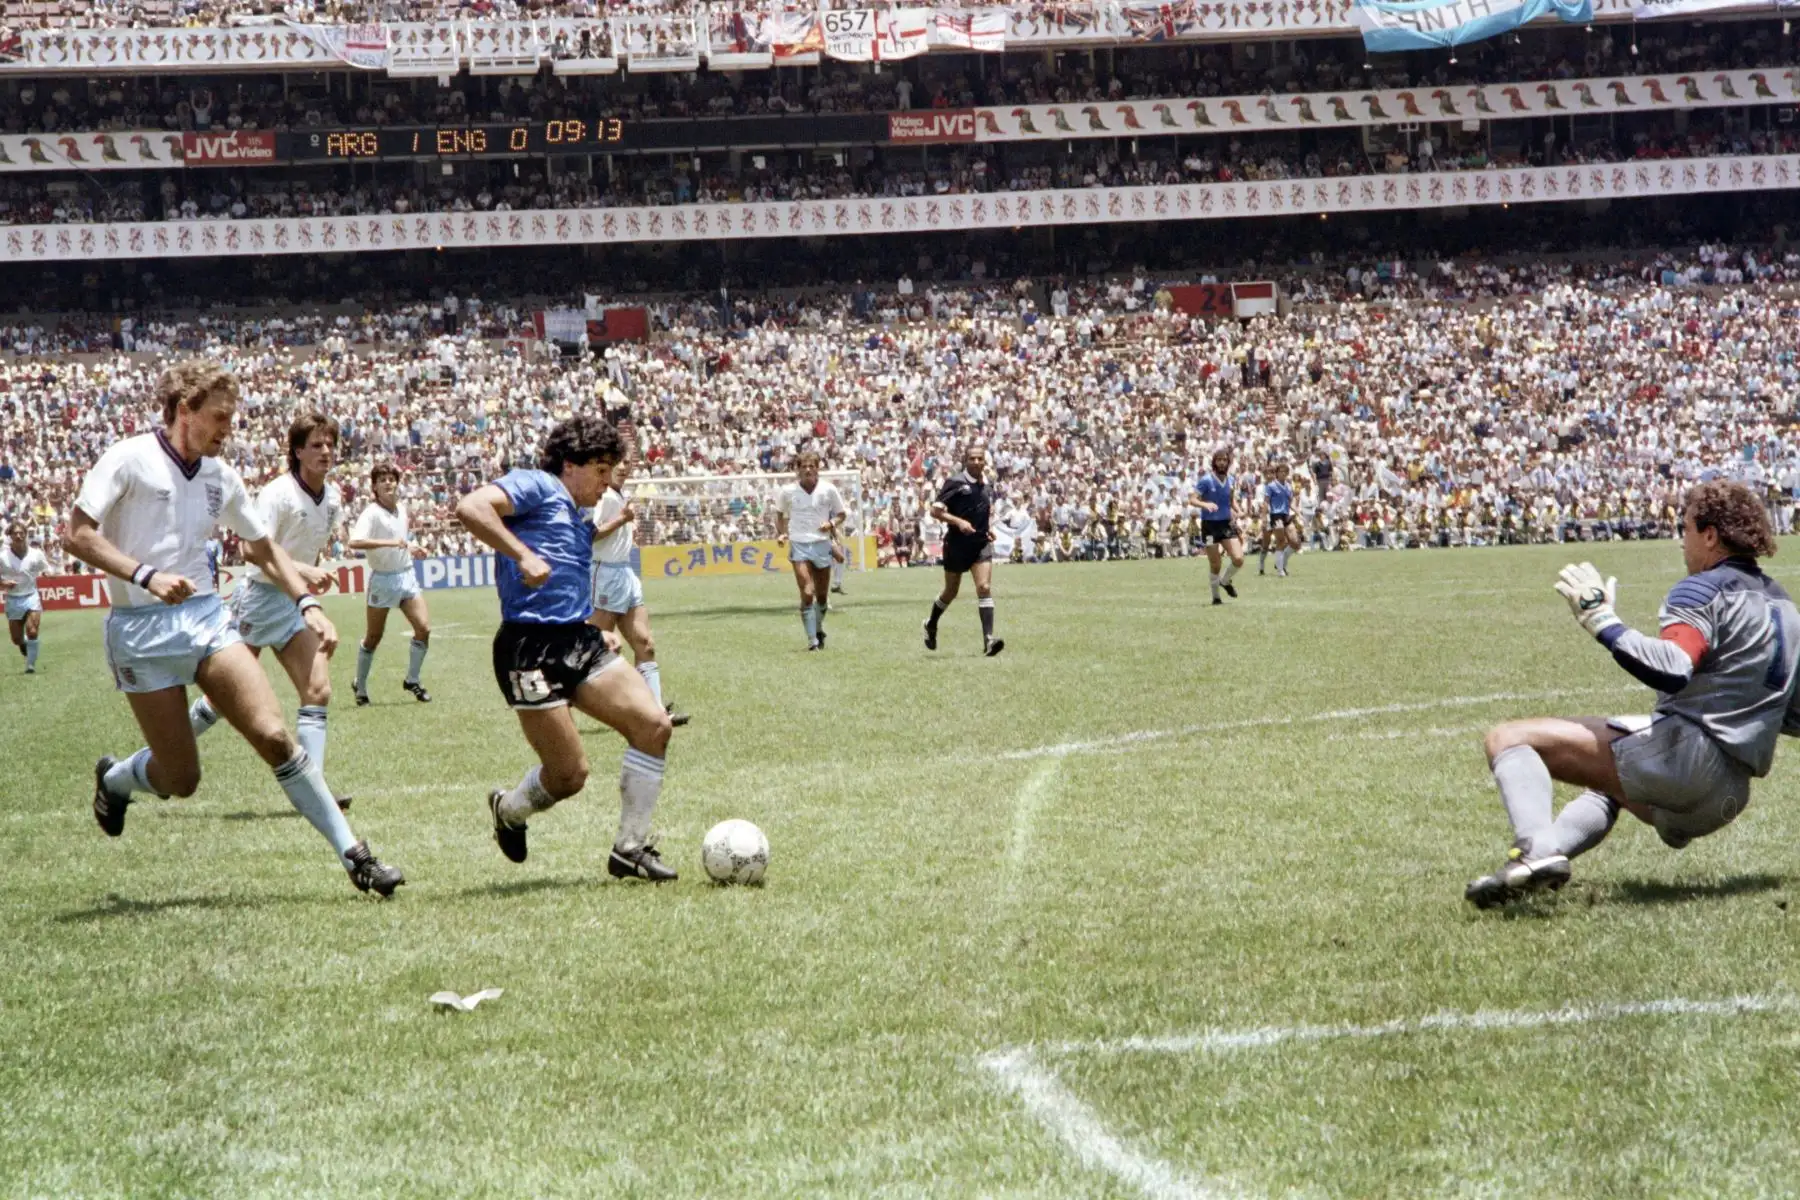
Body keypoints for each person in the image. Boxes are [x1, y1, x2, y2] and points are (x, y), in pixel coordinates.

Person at [66, 359, 403, 896]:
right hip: (139, 629)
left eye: (232, 417)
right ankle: (115, 779)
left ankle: (356, 856)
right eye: (220, 417)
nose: (229, 429)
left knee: (274, 735)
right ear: (185, 411)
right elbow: (77, 535)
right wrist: (145, 575)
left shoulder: (222, 478)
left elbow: (263, 545)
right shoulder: (127, 459)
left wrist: (308, 601)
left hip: (205, 619)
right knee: (183, 779)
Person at [1466, 480, 1800, 907]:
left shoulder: (1701, 589)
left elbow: (1672, 667)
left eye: (1686, 530)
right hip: (1728, 798)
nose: (1683, 544)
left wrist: (1601, 619)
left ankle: (1536, 850)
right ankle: (1535, 869)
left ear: (1710, 535)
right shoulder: (1784, 605)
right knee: (1608, 785)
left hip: (1686, 764)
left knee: (1508, 739)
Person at [455, 415, 676, 881]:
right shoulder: (536, 484)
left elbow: (568, 575)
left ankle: (629, 849)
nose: (606, 479)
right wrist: (522, 555)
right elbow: (471, 507)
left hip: (578, 640)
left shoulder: (579, 515)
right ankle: (510, 810)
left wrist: (595, 628)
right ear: (571, 464)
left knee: (654, 726)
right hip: (527, 649)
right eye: (600, 468)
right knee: (569, 777)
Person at [187, 412, 351, 812]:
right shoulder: (278, 494)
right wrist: (305, 572)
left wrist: (304, 580)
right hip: (259, 599)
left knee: (318, 689)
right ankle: (155, 755)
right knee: (222, 701)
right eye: (316, 445)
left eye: (330, 444)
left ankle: (313, 787)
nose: (326, 451)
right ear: (297, 452)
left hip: (293, 603)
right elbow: (249, 552)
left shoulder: (333, 497)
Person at [588, 459, 688, 727]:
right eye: (617, 463)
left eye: (627, 463)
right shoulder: (604, 497)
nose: (623, 468)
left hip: (625, 572)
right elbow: (589, 534)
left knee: (645, 644)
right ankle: (555, 693)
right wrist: (622, 519)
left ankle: (655, 713)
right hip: (605, 572)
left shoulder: (619, 495)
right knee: (594, 648)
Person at [348, 462, 431, 705]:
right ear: (374, 487)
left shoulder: (402, 510)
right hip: (382, 580)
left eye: (391, 479)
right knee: (374, 637)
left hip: (406, 575)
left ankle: (412, 680)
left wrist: (414, 548)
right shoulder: (371, 513)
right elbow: (355, 542)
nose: (388, 483)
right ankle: (360, 686)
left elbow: (401, 541)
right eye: (382, 479)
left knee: (424, 628)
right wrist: (389, 543)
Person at [923, 442, 1004, 657]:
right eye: (972, 459)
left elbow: (980, 512)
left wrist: (986, 531)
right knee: (951, 592)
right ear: (965, 461)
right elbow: (935, 511)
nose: (976, 462)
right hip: (957, 545)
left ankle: (988, 640)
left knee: (984, 587)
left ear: (984, 461)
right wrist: (958, 522)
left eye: (980, 458)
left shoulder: (987, 485)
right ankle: (931, 624)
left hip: (980, 545)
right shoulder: (955, 482)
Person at [773, 450, 847, 651]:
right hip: (798, 544)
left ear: (817, 468)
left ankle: (818, 627)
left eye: (811, 466)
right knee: (807, 592)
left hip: (822, 543)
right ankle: (812, 641)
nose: (807, 470)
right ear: (798, 470)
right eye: (803, 466)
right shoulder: (787, 491)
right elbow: (779, 514)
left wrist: (831, 523)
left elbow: (842, 514)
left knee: (822, 597)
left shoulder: (828, 490)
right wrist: (781, 533)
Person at [1193, 448, 1246, 605]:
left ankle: (1225, 581)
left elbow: (1231, 501)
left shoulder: (1230, 480)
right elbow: (1192, 500)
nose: (1222, 462)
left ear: (1228, 462)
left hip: (1226, 525)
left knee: (1238, 559)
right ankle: (1216, 597)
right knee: (1215, 563)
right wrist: (1205, 503)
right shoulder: (1206, 480)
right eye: (1219, 460)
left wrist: (1239, 510)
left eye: (1224, 460)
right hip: (1209, 526)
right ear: (1214, 462)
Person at [0, 522, 50, 673]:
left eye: (21, 533)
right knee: (16, 639)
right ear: (10, 536)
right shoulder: (2, 556)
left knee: (33, 631)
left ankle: (30, 666)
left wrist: (48, 574)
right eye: (15, 533)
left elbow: (45, 569)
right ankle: (23, 645)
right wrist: (3, 582)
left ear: (26, 534)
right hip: (13, 598)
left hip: (31, 595)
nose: (19, 536)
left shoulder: (36, 553)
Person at [1259, 463, 1299, 577]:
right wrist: (1263, 518)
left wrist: (1297, 511)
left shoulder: (1288, 486)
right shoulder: (1270, 486)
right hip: (1275, 516)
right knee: (1271, 543)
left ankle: (1280, 563)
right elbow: (1265, 502)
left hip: (1286, 515)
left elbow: (1291, 501)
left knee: (1295, 542)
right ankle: (1275, 568)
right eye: (1281, 471)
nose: (1283, 473)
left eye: (1285, 471)